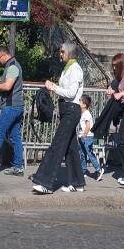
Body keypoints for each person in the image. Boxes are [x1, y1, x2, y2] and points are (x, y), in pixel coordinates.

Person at [31, 43, 85, 194]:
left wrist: (53, 87)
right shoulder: (68, 68)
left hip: (71, 109)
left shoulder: (75, 70)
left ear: (70, 53)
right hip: (67, 110)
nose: (60, 54)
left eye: (62, 52)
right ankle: (77, 182)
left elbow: (71, 93)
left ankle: (45, 183)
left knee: (57, 145)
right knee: (70, 147)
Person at [94, 52, 124, 186]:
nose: (114, 68)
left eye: (116, 65)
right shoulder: (120, 77)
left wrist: (120, 93)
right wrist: (112, 92)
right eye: (113, 65)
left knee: (123, 140)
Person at [0, 46, 25, 176]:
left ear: (4, 55)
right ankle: (18, 166)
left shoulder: (12, 67)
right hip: (17, 106)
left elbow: (7, 86)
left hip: (11, 107)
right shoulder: (14, 65)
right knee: (15, 136)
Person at [78, 95, 103, 179]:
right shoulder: (83, 113)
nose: (78, 102)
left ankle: (98, 170)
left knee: (89, 153)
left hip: (87, 137)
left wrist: (84, 135)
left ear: (84, 104)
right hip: (82, 136)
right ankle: (83, 170)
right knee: (82, 154)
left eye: (80, 101)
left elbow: (88, 126)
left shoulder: (87, 114)